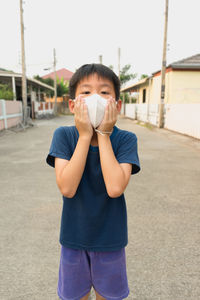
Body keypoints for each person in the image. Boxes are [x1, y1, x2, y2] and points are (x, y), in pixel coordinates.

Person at [46, 64, 141, 300]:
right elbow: (67, 188)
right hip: (73, 239)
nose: (95, 98)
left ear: (117, 105)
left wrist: (104, 135)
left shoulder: (126, 140)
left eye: (104, 92)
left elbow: (115, 187)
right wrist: (86, 135)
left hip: (111, 240)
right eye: (86, 92)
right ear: (72, 105)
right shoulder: (64, 136)